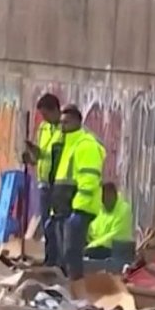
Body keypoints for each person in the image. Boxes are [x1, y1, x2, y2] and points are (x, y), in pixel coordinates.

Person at [52, 104, 106, 286]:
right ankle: (71, 288)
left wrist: (78, 209)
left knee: (71, 252)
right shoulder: (68, 144)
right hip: (64, 208)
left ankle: (79, 290)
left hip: (78, 208)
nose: (62, 126)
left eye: (66, 122)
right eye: (61, 122)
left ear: (77, 121)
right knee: (64, 254)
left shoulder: (86, 145)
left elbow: (89, 180)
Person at [23, 94, 65, 265]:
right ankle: (50, 259)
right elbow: (41, 156)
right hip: (44, 182)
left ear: (56, 110)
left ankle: (58, 261)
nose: (45, 119)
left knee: (57, 226)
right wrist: (32, 154)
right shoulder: (43, 128)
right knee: (47, 225)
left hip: (58, 184)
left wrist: (40, 154)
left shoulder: (64, 130)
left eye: (47, 114)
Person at [86, 182, 134, 263]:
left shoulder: (124, 209)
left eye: (108, 198)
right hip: (99, 248)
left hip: (117, 250)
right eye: (103, 199)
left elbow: (115, 236)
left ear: (115, 195)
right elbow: (91, 230)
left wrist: (92, 245)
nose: (106, 201)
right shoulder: (101, 209)